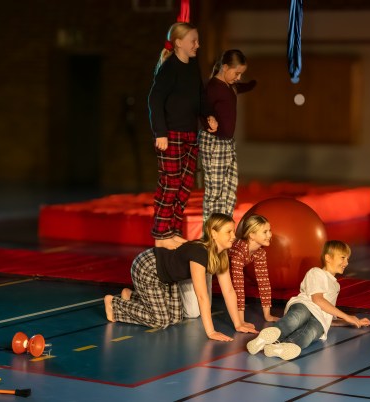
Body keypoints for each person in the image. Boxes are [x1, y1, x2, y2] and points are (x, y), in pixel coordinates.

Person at [104, 213, 258, 341]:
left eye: (233, 231)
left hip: (168, 277)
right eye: (229, 232)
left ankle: (132, 296)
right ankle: (115, 304)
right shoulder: (200, 253)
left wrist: (238, 323)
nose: (233, 236)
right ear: (214, 233)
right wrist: (211, 332)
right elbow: (201, 296)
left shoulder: (221, 254)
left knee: (176, 316)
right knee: (160, 320)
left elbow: (229, 291)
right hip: (148, 267)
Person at [148, 22, 218, 250]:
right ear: (178, 43)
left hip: (190, 134)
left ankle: (174, 230)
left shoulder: (192, 66)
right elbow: (155, 100)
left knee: (185, 186)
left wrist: (208, 115)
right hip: (171, 134)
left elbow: (200, 96)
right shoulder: (169, 68)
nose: (197, 45)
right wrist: (160, 132)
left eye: (197, 40)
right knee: (170, 184)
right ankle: (161, 233)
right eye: (193, 41)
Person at [246, 240, 370, 360]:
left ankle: (280, 347)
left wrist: (351, 321)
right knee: (298, 316)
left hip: (320, 318)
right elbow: (318, 300)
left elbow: (328, 316)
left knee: (311, 333)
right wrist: (347, 316)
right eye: (343, 257)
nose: (346, 262)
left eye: (347, 259)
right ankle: (271, 334)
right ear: (328, 258)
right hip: (306, 306)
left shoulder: (336, 286)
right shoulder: (316, 272)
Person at [199, 49, 255, 222]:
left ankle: (224, 227)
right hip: (213, 142)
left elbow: (243, 86)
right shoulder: (212, 87)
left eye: (241, 74)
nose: (239, 77)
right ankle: (210, 231)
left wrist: (254, 83)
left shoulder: (231, 87)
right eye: (237, 73)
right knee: (215, 191)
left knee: (229, 189)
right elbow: (202, 106)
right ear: (224, 67)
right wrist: (209, 118)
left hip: (228, 143)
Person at [228, 214, 278, 326]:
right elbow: (238, 286)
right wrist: (241, 321)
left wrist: (268, 316)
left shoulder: (260, 252)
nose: (270, 235)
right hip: (209, 266)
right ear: (252, 235)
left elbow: (264, 282)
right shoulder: (238, 251)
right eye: (265, 232)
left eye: (269, 230)